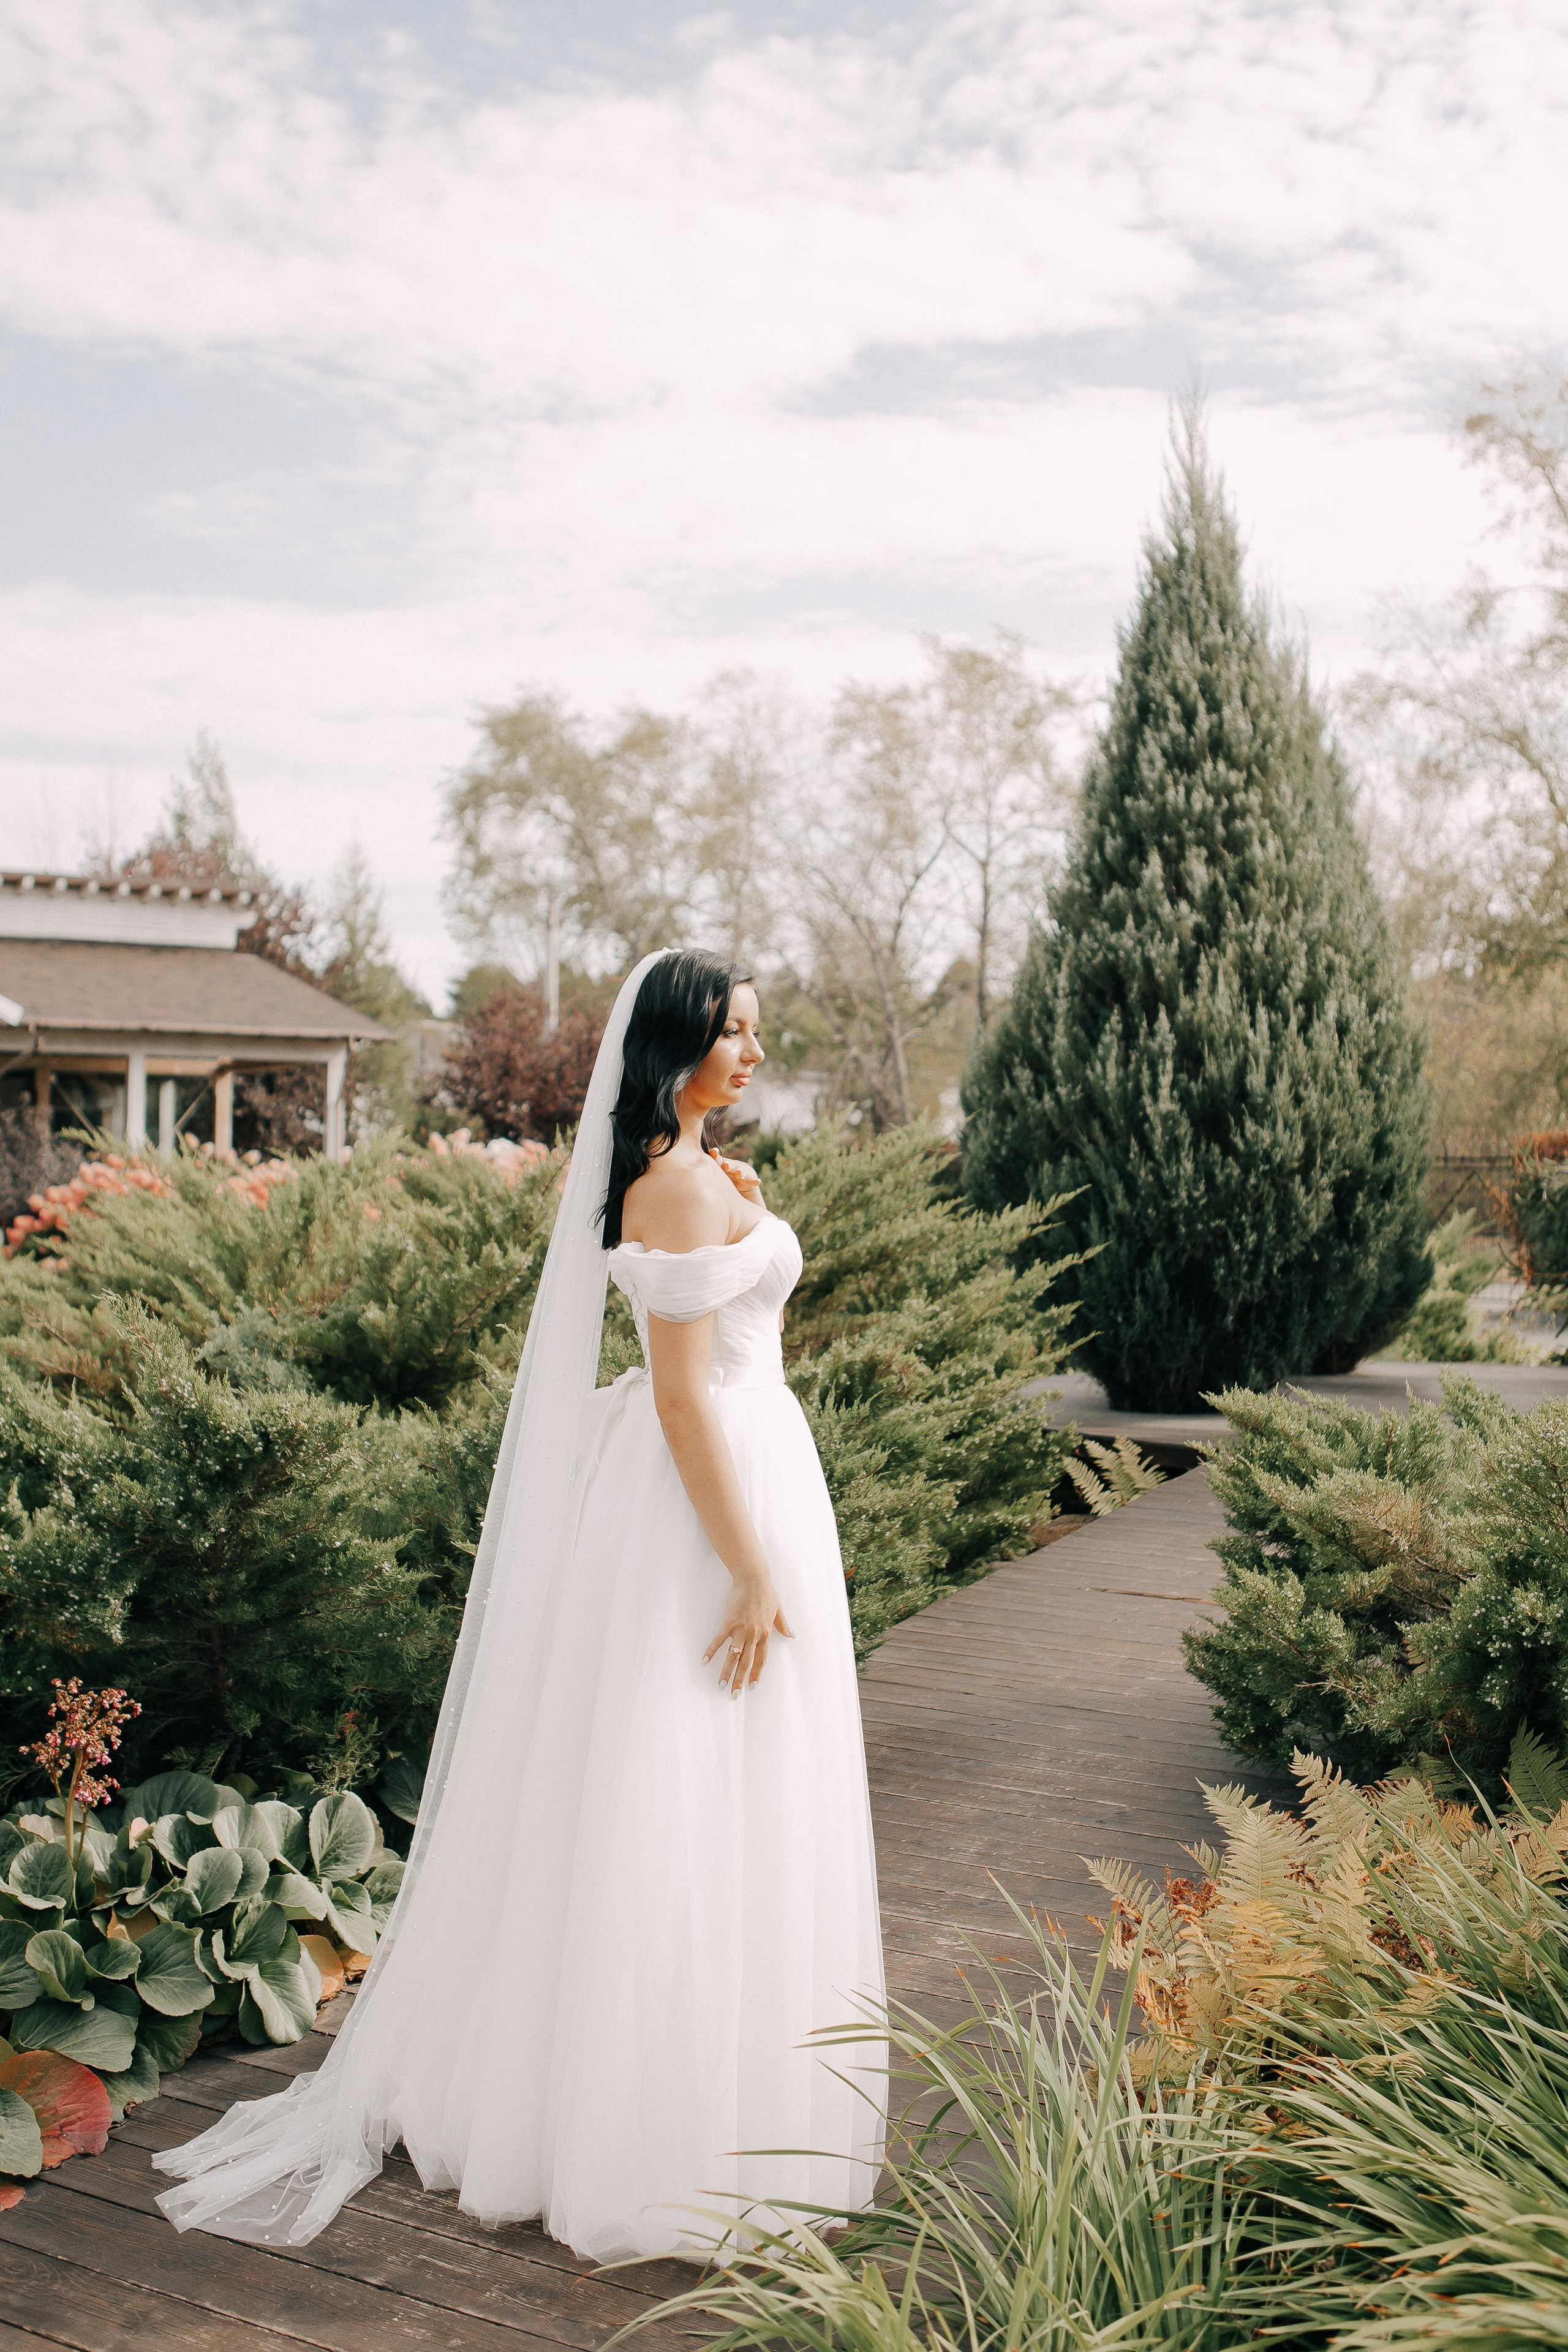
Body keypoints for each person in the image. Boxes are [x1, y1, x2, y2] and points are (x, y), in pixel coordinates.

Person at [154, 948, 886, 2261]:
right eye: (734, 1033)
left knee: (736, 1787)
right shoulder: (667, 1186)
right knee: (676, 1784)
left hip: (751, 1464)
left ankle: (721, 2092)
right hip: (700, 1501)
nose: (755, 1053)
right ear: (674, 1049)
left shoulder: (701, 1175)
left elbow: (726, 1320)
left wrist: (745, 1208)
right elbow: (674, 1400)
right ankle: (643, 2126)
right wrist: (750, 1566)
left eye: (757, 1031)